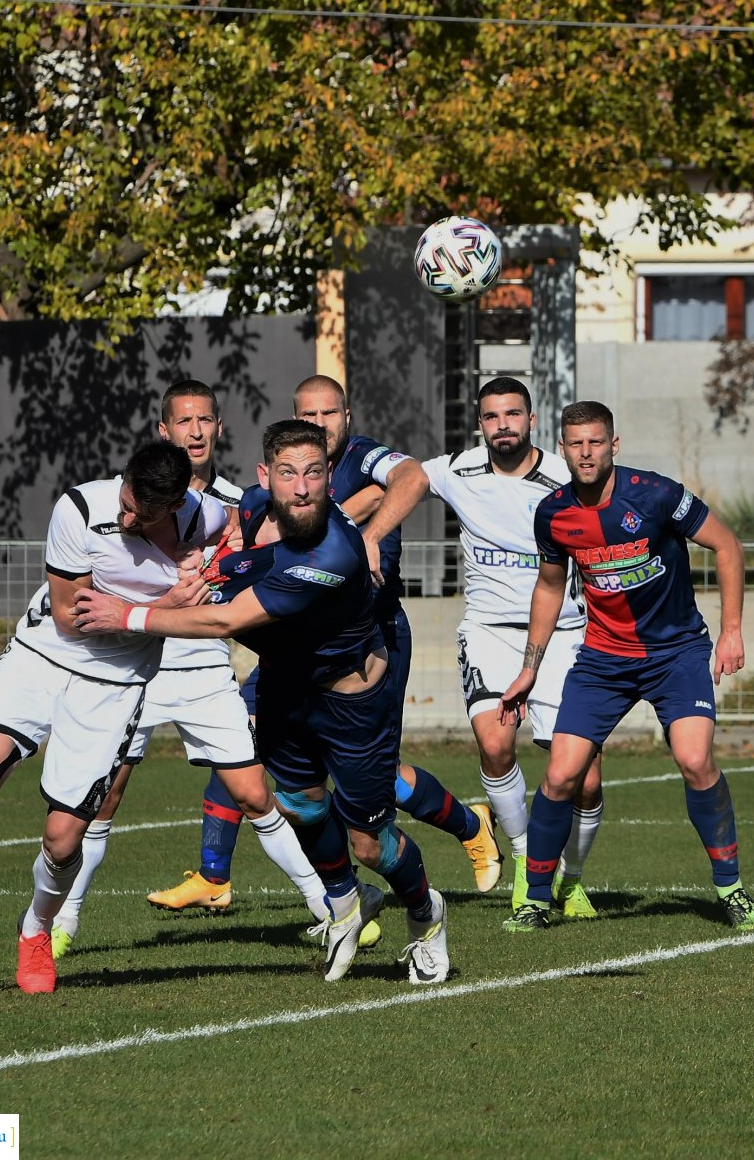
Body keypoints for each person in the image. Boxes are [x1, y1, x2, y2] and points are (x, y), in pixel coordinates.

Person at [76, 419, 453, 985]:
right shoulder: (250, 508)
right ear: (265, 477)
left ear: (329, 477)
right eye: (288, 473)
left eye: (314, 473)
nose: (301, 488)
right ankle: (346, 902)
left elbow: (225, 620)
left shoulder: (332, 554)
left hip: (351, 707)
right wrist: (211, 552)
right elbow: (218, 525)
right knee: (299, 806)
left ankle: (426, 913)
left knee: (371, 844)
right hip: (284, 690)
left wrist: (127, 614)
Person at [0, 442, 233, 1000]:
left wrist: (212, 563)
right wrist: (166, 605)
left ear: (175, 505)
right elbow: (71, 619)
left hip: (114, 684)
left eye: (142, 514)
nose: (128, 517)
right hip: (43, 656)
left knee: (63, 840)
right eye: (126, 502)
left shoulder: (201, 514)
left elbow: (238, 524)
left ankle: (36, 929)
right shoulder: (80, 508)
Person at [149, 375, 498, 911]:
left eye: (329, 413)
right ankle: (234, 877)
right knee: (243, 744)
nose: (319, 424)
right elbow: (249, 533)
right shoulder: (268, 494)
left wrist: (368, 535)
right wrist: (217, 559)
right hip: (293, 646)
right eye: (308, 416)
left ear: (347, 418)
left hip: (366, 643)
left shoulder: (362, 460)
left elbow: (408, 478)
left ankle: (468, 826)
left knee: (376, 782)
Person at [49, 380, 331, 959]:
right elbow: (84, 593)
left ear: (219, 428)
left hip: (200, 661)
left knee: (253, 791)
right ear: (165, 432)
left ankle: (332, 910)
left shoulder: (237, 501)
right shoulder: (127, 501)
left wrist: (223, 557)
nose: (196, 431)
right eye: (184, 421)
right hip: (133, 662)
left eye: (205, 420)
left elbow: (255, 547)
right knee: (105, 796)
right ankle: (62, 922)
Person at [499, 401, 754, 933]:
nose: (586, 453)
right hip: (603, 661)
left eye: (596, 442)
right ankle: (536, 899)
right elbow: (549, 587)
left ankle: (731, 888)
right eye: (576, 444)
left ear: (613, 445)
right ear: (562, 448)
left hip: (677, 655)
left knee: (695, 760)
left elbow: (728, 546)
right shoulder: (552, 513)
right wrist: (530, 667)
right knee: (561, 775)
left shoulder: (656, 494)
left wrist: (731, 631)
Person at [362, 377, 608, 926]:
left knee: (585, 778)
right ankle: (525, 860)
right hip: (489, 631)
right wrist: (368, 534)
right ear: (480, 425)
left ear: (532, 421)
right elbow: (407, 478)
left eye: (512, 414)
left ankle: (573, 877)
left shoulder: (566, 476)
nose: (503, 426)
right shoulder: (459, 469)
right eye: (492, 417)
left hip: (566, 633)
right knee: (495, 744)